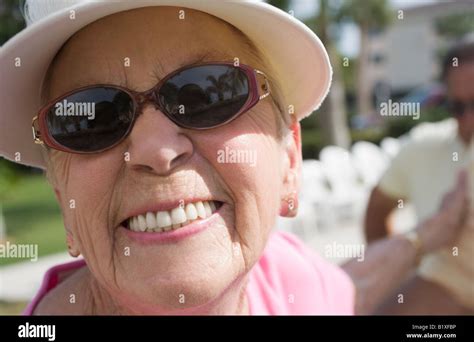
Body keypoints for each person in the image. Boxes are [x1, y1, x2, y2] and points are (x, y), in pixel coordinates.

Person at [0, 0, 469, 315]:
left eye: (207, 94)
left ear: (289, 162)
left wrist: (432, 232)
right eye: (92, 118)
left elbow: (350, 289)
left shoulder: (284, 274)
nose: (156, 151)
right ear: (63, 197)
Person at [365, 37, 474, 314]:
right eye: (458, 107)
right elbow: (377, 210)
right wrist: (401, 266)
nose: (469, 119)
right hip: (447, 290)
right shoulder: (422, 147)